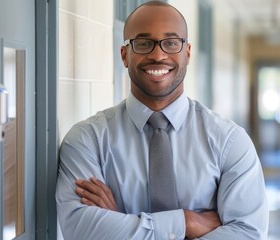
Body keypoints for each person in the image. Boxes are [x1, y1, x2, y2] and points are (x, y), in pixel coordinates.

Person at [55, 1, 268, 239]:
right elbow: (82, 230)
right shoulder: (87, 141)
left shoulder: (229, 141)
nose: (158, 54)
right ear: (125, 55)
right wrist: (185, 223)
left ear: (187, 53)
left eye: (171, 43)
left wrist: (123, 224)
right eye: (144, 43)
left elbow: (247, 233)